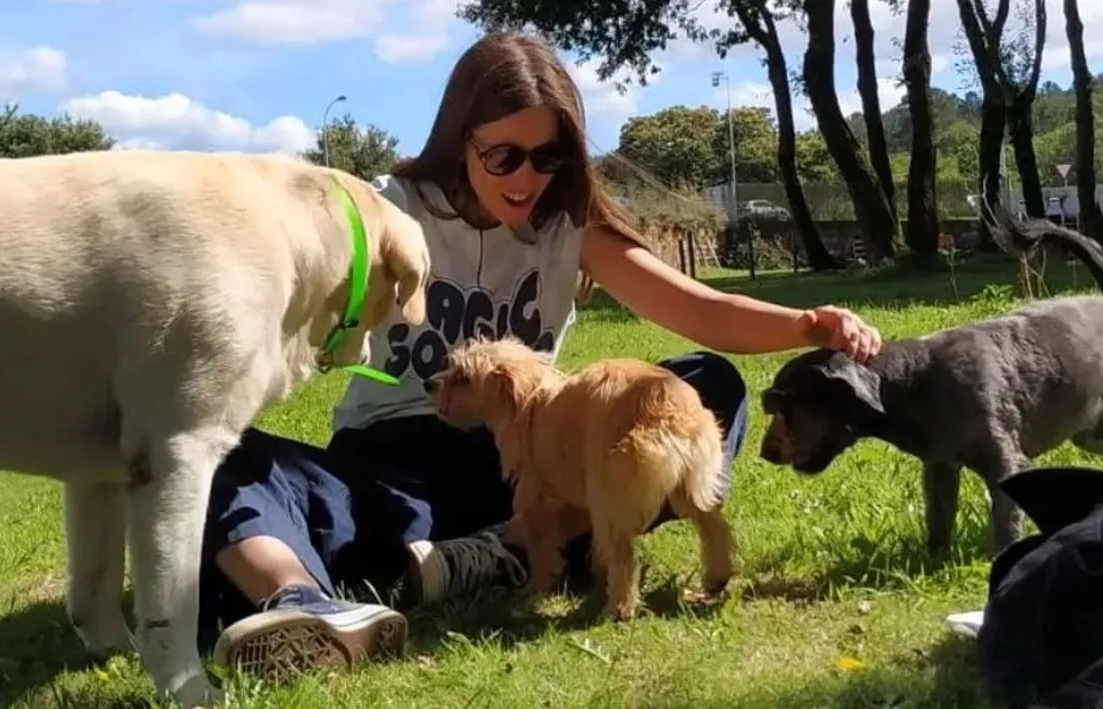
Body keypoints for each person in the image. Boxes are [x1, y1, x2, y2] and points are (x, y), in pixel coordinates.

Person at [196, 32, 883, 683]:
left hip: (539, 462)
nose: (527, 177)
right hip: (392, 469)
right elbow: (277, 285)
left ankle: (511, 547)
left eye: (547, 156)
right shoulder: (387, 210)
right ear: (460, 139)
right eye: (504, 157)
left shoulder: (569, 226)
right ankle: (306, 607)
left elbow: (697, 309)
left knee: (703, 386)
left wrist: (807, 325)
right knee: (216, 451)